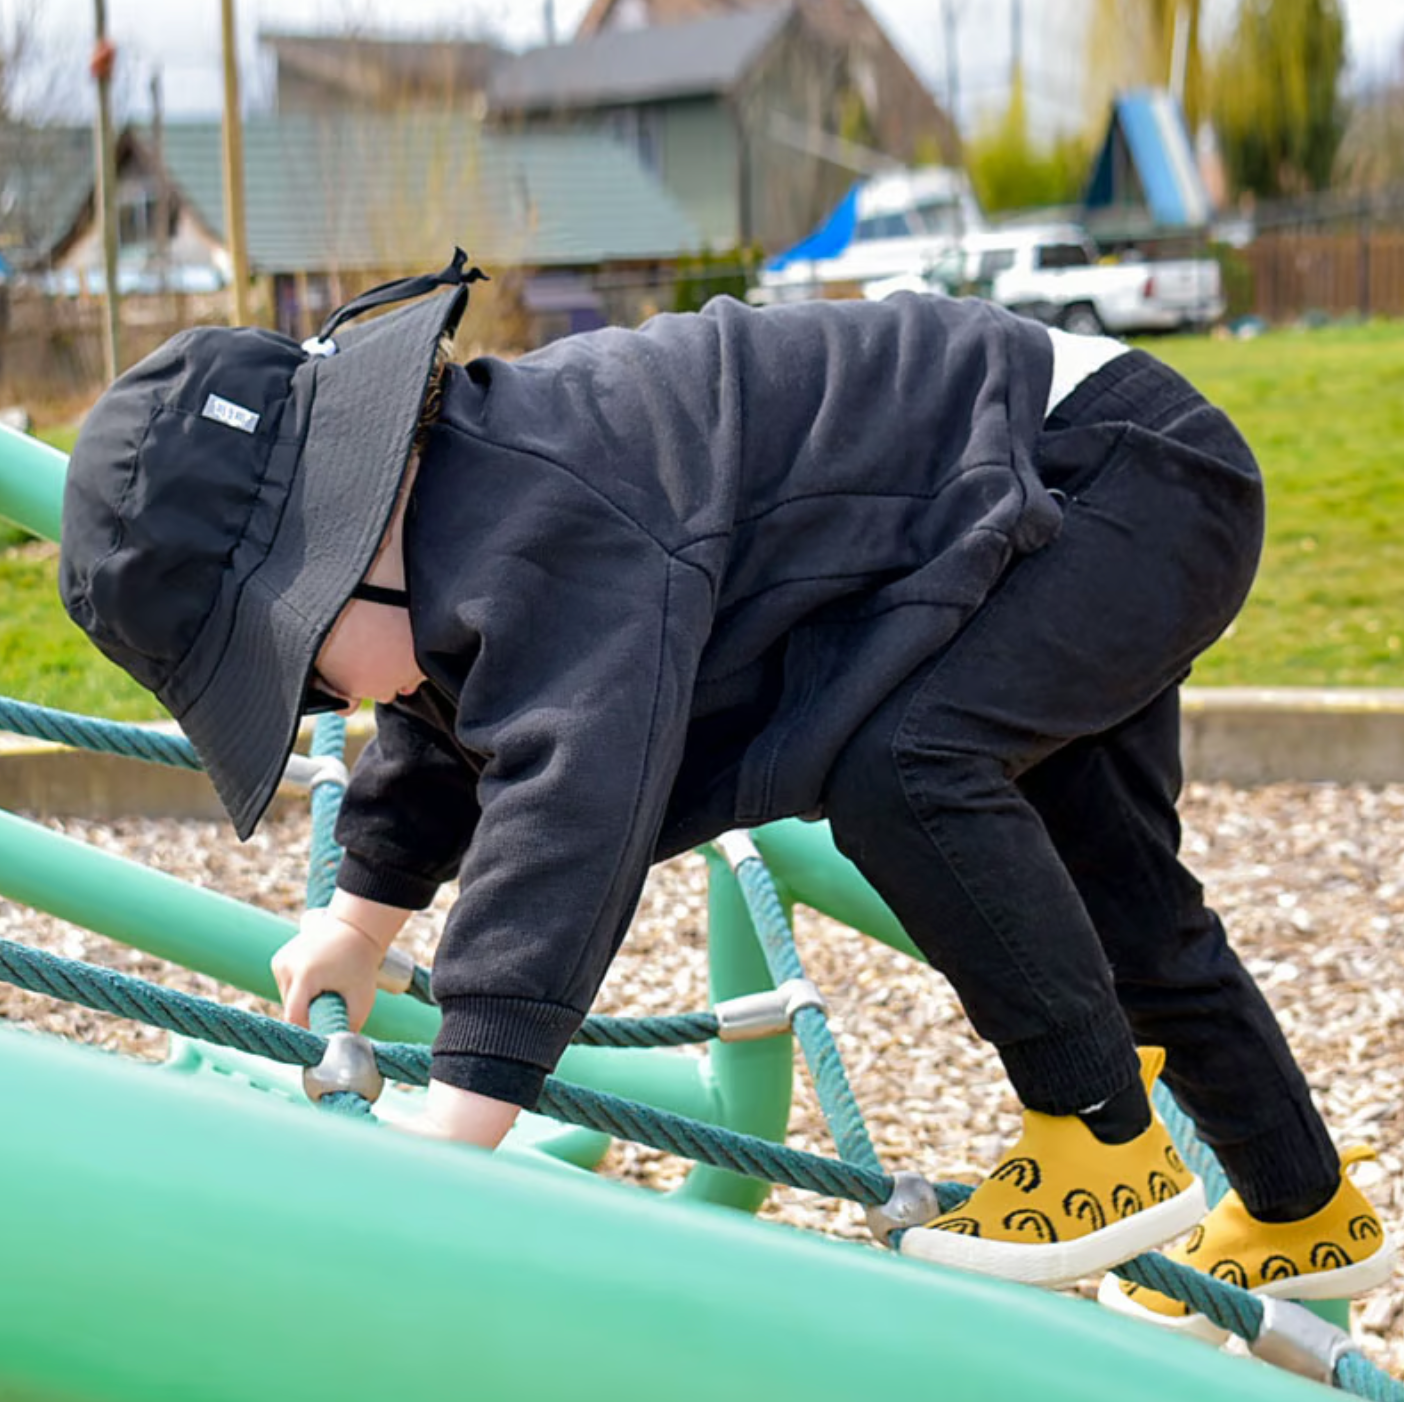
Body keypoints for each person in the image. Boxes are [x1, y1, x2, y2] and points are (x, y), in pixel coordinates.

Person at [58, 251, 1394, 1315]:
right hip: (1053, 492)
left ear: (339, 542)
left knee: (898, 762)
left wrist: (456, 1123)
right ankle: (1298, 1204)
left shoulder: (551, 505)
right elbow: (452, 725)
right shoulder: (453, 521)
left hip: (1111, 470)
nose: (327, 703)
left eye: (297, 665)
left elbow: (567, 806)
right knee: (1113, 885)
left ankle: (1103, 1140)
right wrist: (362, 916)